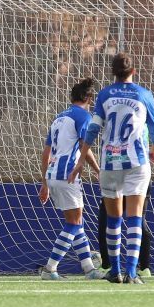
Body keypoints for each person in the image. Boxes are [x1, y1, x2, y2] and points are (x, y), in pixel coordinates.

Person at [70, 53, 154, 285]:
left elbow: (93, 128)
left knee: (114, 218)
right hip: (137, 162)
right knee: (135, 217)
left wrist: (81, 160)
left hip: (110, 162)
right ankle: (131, 272)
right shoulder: (144, 94)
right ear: (134, 71)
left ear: (113, 72)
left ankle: (115, 270)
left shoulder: (105, 94)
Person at [37, 78, 101, 280]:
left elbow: (46, 152)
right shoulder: (83, 117)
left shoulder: (58, 118)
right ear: (89, 98)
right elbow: (85, 147)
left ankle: (89, 269)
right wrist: (98, 170)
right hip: (68, 175)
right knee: (73, 224)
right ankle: (50, 268)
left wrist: (45, 181)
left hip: (54, 174)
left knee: (77, 222)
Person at [95, 186, 153, 278]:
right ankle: (143, 268)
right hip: (139, 177)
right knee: (138, 221)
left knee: (108, 220)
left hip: (117, 177)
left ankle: (107, 266)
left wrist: (99, 172)